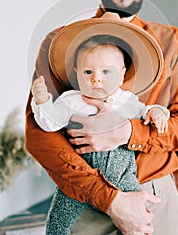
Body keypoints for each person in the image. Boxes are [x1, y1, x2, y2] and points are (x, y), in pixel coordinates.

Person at [25, 0, 178, 235]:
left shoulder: (175, 42)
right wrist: (109, 199)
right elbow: (40, 137)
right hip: (83, 196)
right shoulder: (58, 44)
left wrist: (127, 133)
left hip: (154, 195)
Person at [31, 35, 170, 234]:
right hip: (82, 176)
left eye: (106, 71)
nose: (96, 78)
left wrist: (156, 112)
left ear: (121, 75)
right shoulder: (71, 101)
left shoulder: (126, 100)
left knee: (140, 217)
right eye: (88, 72)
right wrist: (43, 101)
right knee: (57, 220)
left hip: (122, 173)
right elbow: (49, 123)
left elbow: (144, 111)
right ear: (76, 74)